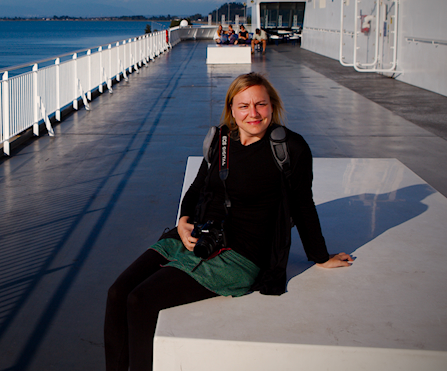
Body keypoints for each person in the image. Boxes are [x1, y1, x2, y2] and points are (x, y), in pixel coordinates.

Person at [104, 72, 353, 371]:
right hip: (200, 234)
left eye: (260, 104)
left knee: (140, 300)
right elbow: (197, 189)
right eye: (244, 106)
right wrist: (183, 221)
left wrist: (320, 256)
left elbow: (303, 205)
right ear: (232, 109)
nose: (253, 113)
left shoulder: (290, 148)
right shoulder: (220, 141)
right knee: (117, 293)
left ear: (272, 106)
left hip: (241, 254)